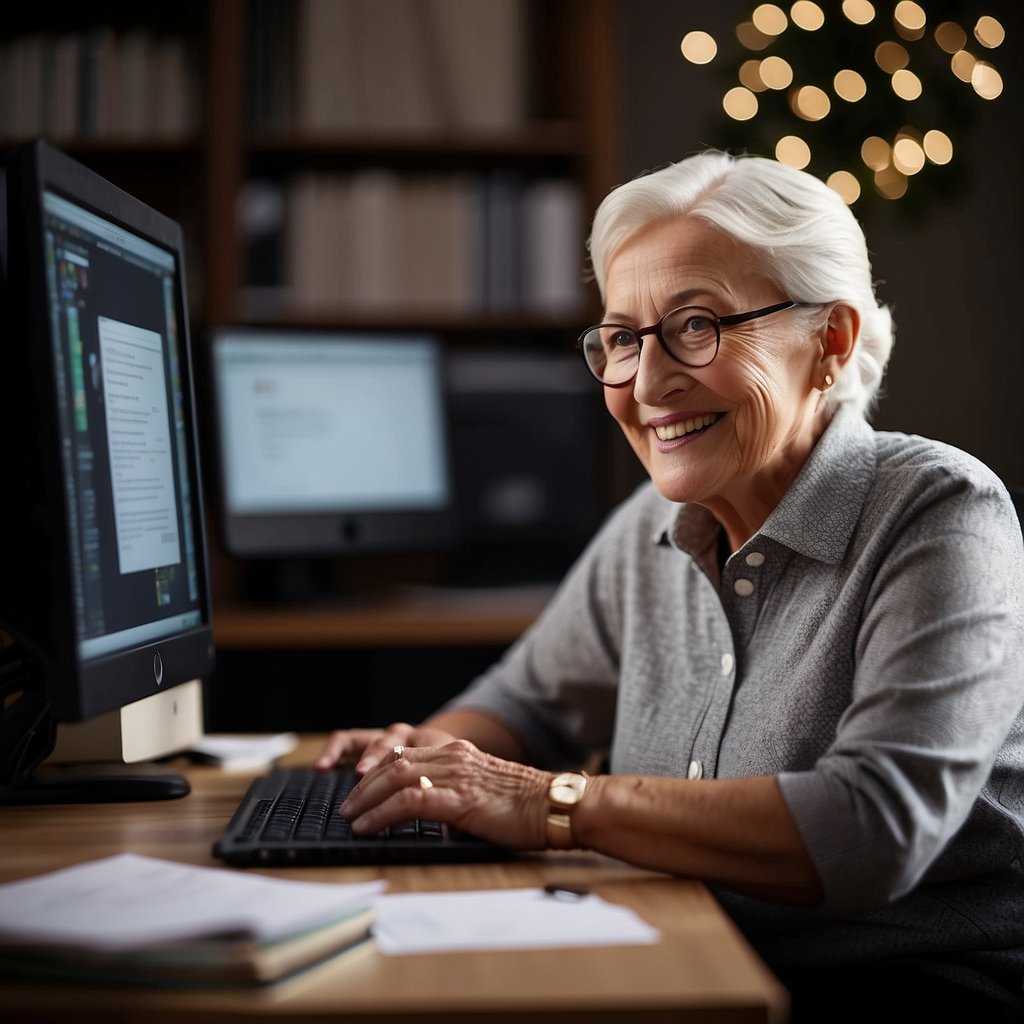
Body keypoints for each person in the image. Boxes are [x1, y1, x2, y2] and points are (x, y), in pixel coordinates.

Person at [318, 150, 1024, 1020]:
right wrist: (419, 768)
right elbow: (526, 705)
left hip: (903, 990)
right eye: (621, 338)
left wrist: (550, 801)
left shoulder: (942, 512)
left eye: (697, 326)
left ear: (829, 342)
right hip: (678, 951)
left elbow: (873, 827)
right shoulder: (644, 531)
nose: (647, 384)